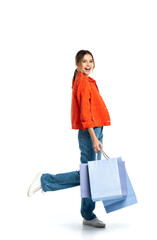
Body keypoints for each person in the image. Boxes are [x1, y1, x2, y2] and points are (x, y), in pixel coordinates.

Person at [27, 50, 111, 228]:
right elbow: (85, 115)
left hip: (96, 129)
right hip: (90, 132)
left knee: (91, 175)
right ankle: (45, 180)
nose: (87, 64)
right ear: (78, 64)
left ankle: (88, 214)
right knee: (88, 175)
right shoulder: (82, 83)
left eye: (90, 61)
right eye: (84, 62)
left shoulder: (87, 81)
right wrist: (94, 138)